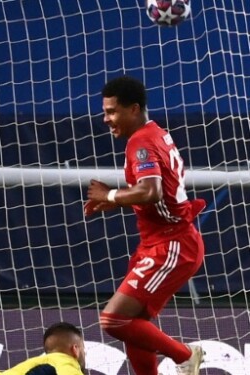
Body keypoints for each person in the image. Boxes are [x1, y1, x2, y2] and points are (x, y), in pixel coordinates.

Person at [85, 76, 206, 375]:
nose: (106, 119)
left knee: (113, 319)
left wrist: (111, 194)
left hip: (172, 244)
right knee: (132, 323)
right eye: (105, 111)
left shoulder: (140, 142)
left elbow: (151, 191)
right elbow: (155, 191)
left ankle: (185, 354)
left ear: (134, 109)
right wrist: (117, 201)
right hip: (160, 241)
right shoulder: (154, 134)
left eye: (112, 111)